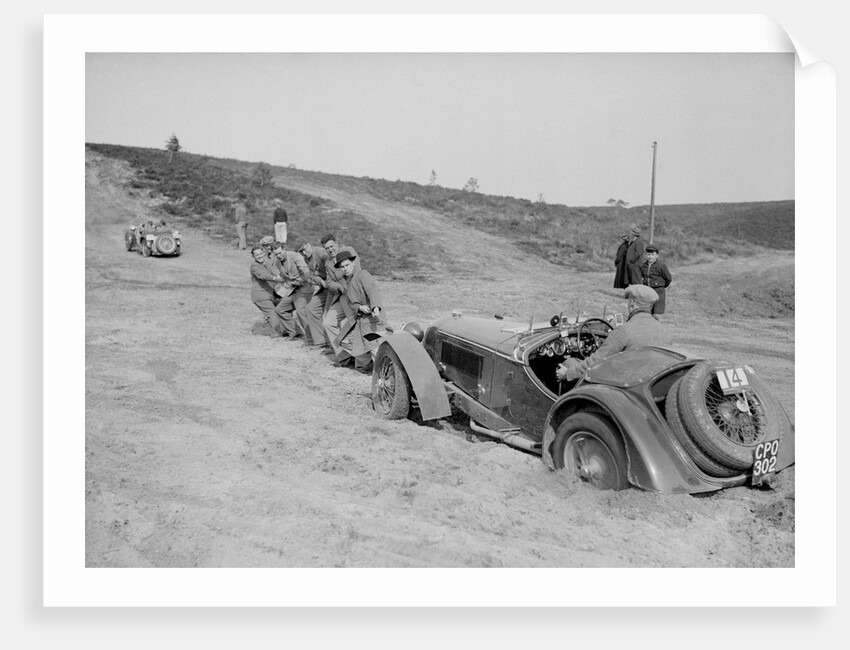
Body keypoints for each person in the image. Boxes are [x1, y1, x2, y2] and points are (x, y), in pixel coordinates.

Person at [555, 284, 671, 382]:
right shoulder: (664, 331)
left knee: (570, 363)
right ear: (650, 306)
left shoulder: (624, 331)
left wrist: (568, 373)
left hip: (621, 383)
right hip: (648, 382)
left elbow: (597, 361)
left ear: (631, 303)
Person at [333, 250, 386, 372]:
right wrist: (359, 307)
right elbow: (352, 303)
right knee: (342, 340)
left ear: (353, 262)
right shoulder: (347, 281)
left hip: (373, 318)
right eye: (342, 267)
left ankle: (382, 372)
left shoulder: (362, 274)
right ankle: (369, 363)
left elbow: (372, 290)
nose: (345, 269)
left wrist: (375, 307)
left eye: (347, 265)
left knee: (374, 347)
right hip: (361, 319)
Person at [320, 234, 360, 363]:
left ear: (336, 244)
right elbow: (329, 282)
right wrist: (337, 286)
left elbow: (357, 270)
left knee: (354, 324)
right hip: (341, 296)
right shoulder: (327, 263)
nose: (330, 250)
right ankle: (344, 356)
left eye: (332, 246)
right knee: (328, 323)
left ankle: (361, 357)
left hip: (356, 295)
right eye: (327, 248)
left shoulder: (348, 251)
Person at [271, 242, 313, 340]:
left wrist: (297, 281)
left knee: (301, 312)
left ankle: (312, 338)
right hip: (291, 290)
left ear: (284, 249)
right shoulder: (277, 262)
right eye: (276, 254)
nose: (278, 256)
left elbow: (306, 273)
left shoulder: (295, 256)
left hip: (304, 288)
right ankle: (294, 332)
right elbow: (285, 275)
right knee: (280, 309)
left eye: (280, 253)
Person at [297, 240, 331, 349]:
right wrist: (319, 280)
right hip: (324, 287)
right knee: (311, 308)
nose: (304, 252)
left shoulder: (320, 252)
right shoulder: (306, 259)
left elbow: (329, 259)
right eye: (301, 251)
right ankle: (321, 341)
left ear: (308, 244)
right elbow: (310, 275)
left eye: (304, 249)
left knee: (332, 314)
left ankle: (333, 344)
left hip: (334, 284)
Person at [249, 246, 285, 337]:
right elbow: (263, 275)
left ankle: (287, 330)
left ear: (264, 253)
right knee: (272, 313)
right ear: (253, 257)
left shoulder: (267, 263)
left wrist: (281, 276)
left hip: (270, 295)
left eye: (260, 254)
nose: (259, 256)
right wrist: (275, 278)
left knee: (284, 307)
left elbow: (274, 271)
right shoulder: (254, 266)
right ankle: (276, 333)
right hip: (260, 296)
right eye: (257, 255)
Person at [641, 244, 672, 319]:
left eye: (652, 254)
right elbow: (642, 277)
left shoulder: (661, 266)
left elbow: (668, 278)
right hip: (648, 292)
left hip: (658, 292)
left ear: (657, 255)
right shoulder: (643, 266)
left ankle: (657, 329)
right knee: (647, 313)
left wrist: (661, 286)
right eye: (648, 254)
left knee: (656, 314)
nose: (650, 256)